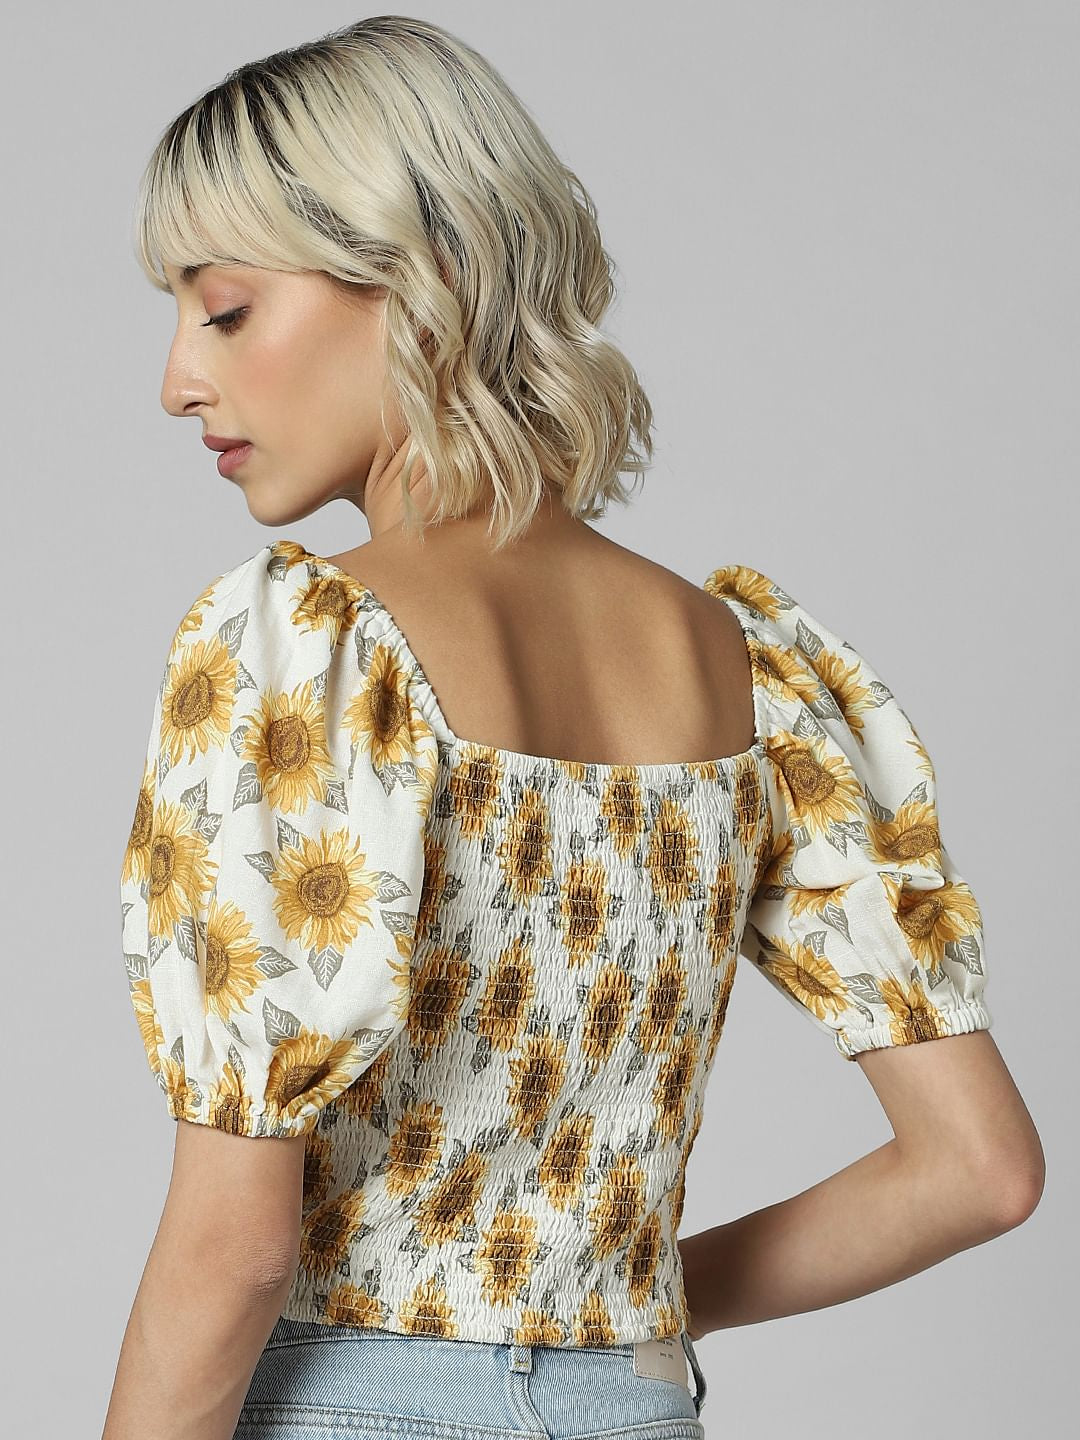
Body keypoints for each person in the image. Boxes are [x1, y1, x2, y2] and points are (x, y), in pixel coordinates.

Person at [102, 15, 1044, 1440]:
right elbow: (980, 1169)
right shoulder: (744, 666)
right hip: (634, 1408)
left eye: (224, 310)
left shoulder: (302, 654)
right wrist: (610, 1317)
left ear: (423, 284)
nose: (177, 378)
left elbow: (234, 1247)